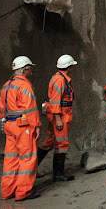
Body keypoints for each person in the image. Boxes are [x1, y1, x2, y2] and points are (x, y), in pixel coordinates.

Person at [0, 56, 41, 201]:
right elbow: (30, 108)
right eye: (30, 69)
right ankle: (24, 192)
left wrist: (3, 125)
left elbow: (1, 109)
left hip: (9, 126)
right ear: (25, 70)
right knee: (27, 158)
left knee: (11, 159)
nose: (31, 72)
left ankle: (7, 192)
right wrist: (36, 126)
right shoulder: (24, 85)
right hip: (22, 126)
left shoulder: (6, 85)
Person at [37, 54, 77, 182]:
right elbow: (55, 100)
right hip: (60, 114)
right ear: (69, 67)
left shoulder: (59, 78)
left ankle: (31, 170)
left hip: (60, 113)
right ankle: (58, 173)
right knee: (62, 143)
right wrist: (58, 118)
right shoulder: (60, 80)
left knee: (48, 142)